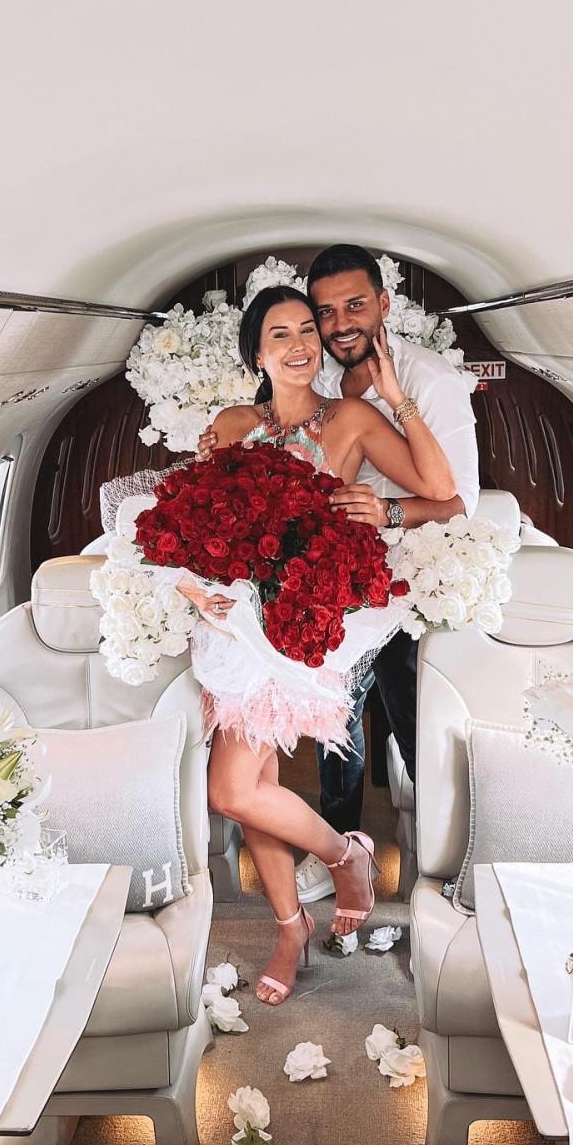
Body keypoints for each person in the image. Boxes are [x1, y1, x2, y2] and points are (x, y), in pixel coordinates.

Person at [179, 284, 455, 1006]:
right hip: (233, 626)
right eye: (281, 334)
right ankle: (291, 926)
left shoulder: (353, 419)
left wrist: (397, 403)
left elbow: (444, 493)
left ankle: (343, 856)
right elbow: (190, 524)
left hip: (306, 617)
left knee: (230, 789)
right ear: (257, 354)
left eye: (308, 329)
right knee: (255, 790)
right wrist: (193, 590)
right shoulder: (231, 424)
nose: (301, 343)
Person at [293, 245, 479, 906]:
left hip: (407, 584)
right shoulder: (316, 377)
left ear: (384, 303)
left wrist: (389, 512)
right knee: (334, 724)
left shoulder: (431, 380)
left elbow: (460, 503)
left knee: (410, 720)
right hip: (337, 583)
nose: (341, 323)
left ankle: (446, 858)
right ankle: (341, 853)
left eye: (354, 306)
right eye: (326, 312)